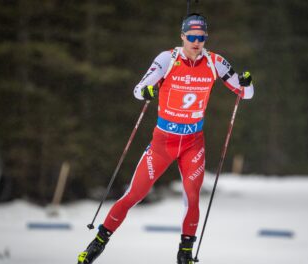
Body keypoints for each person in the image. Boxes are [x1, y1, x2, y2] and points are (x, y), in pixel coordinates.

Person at [77, 13, 254, 264]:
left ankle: (185, 255)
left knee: (192, 197)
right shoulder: (168, 59)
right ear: (182, 36)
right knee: (133, 195)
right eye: (191, 36)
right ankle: (98, 243)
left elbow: (245, 93)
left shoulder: (216, 62)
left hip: (193, 143)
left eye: (201, 37)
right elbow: (139, 90)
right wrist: (147, 90)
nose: (196, 42)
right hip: (164, 143)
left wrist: (246, 83)